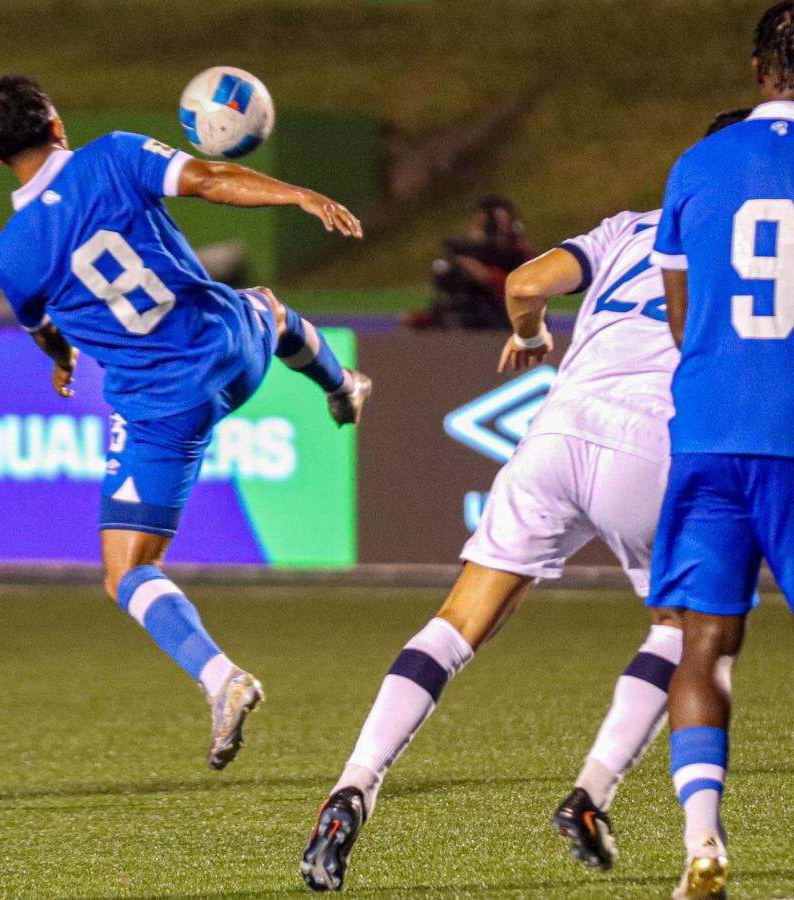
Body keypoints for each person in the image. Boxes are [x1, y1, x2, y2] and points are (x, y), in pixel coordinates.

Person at [299, 108, 752, 893]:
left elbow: (525, 283)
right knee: (684, 635)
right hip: (655, 444)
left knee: (455, 623)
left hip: (557, 432)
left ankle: (354, 783)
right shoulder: (759, 236)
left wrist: (536, 336)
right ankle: (591, 793)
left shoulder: (629, 227)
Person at [0, 75, 371, 770]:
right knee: (267, 307)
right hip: (234, 351)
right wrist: (296, 193)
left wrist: (62, 358)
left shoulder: (9, 256)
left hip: (164, 406)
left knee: (126, 570)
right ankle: (341, 385)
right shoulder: (117, 154)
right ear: (58, 122)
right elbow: (213, 180)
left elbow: (41, 326)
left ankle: (224, 680)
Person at [650, 4, 794, 897]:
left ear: (756, 71)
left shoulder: (696, 163)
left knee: (703, 641)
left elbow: (680, 314)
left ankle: (703, 841)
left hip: (706, 431)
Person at [411, 196, 535, 330]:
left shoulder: (519, 252)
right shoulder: (471, 252)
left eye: (495, 224)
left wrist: (488, 275)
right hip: (478, 316)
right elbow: (451, 287)